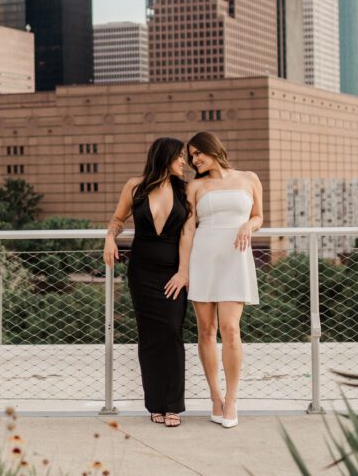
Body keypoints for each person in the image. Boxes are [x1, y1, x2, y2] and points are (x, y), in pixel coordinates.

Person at [166, 131, 261, 429]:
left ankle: (232, 399)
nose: (194, 160)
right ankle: (215, 397)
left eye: (197, 153)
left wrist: (248, 225)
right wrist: (184, 270)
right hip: (203, 258)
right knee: (207, 330)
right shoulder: (194, 186)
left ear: (213, 149)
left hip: (235, 256)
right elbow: (188, 230)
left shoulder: (249, 178)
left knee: (231, 329)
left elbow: (259, 216)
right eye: (190, 156)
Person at [104, 137, 190, 427]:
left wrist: (184, 272)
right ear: (165, 157)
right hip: (142, 272)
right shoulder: (135, 186)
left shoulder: (186, 191)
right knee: (150, 335)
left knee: (172, 332)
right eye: (179, 157)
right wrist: (109, 238)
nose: (184, 162)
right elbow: (118, 219)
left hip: (174, 272)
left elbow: (188, 235)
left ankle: (174, 404)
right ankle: (155, 403)